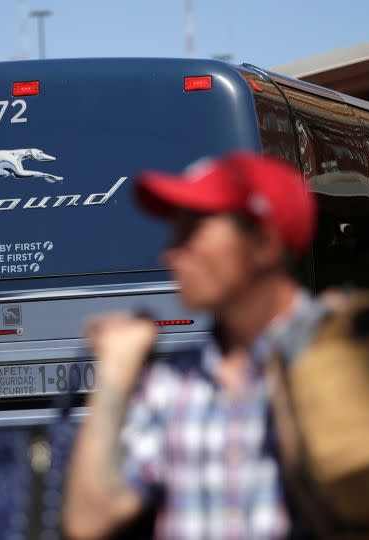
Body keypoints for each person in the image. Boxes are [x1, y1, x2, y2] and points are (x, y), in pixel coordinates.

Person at [63, 152, 319, 540]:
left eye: (191, 232)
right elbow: (89, 520)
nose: (170, 252)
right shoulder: (173, 382)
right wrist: (114, 370)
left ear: (264, 244)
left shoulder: (344, 356)